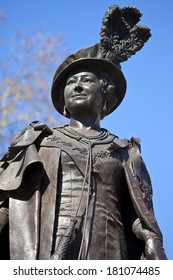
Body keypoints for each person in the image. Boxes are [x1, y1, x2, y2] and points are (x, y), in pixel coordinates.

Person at [0, 5, 167, 260]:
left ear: (106, 95)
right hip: (49, 250)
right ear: (64, 103)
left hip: (108, 252)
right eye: (70, 83)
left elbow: (138, 214)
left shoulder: (124, 152)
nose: (77, 85)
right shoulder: (41, 142)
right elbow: (8, 199)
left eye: (86, 80)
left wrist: (151, 240)